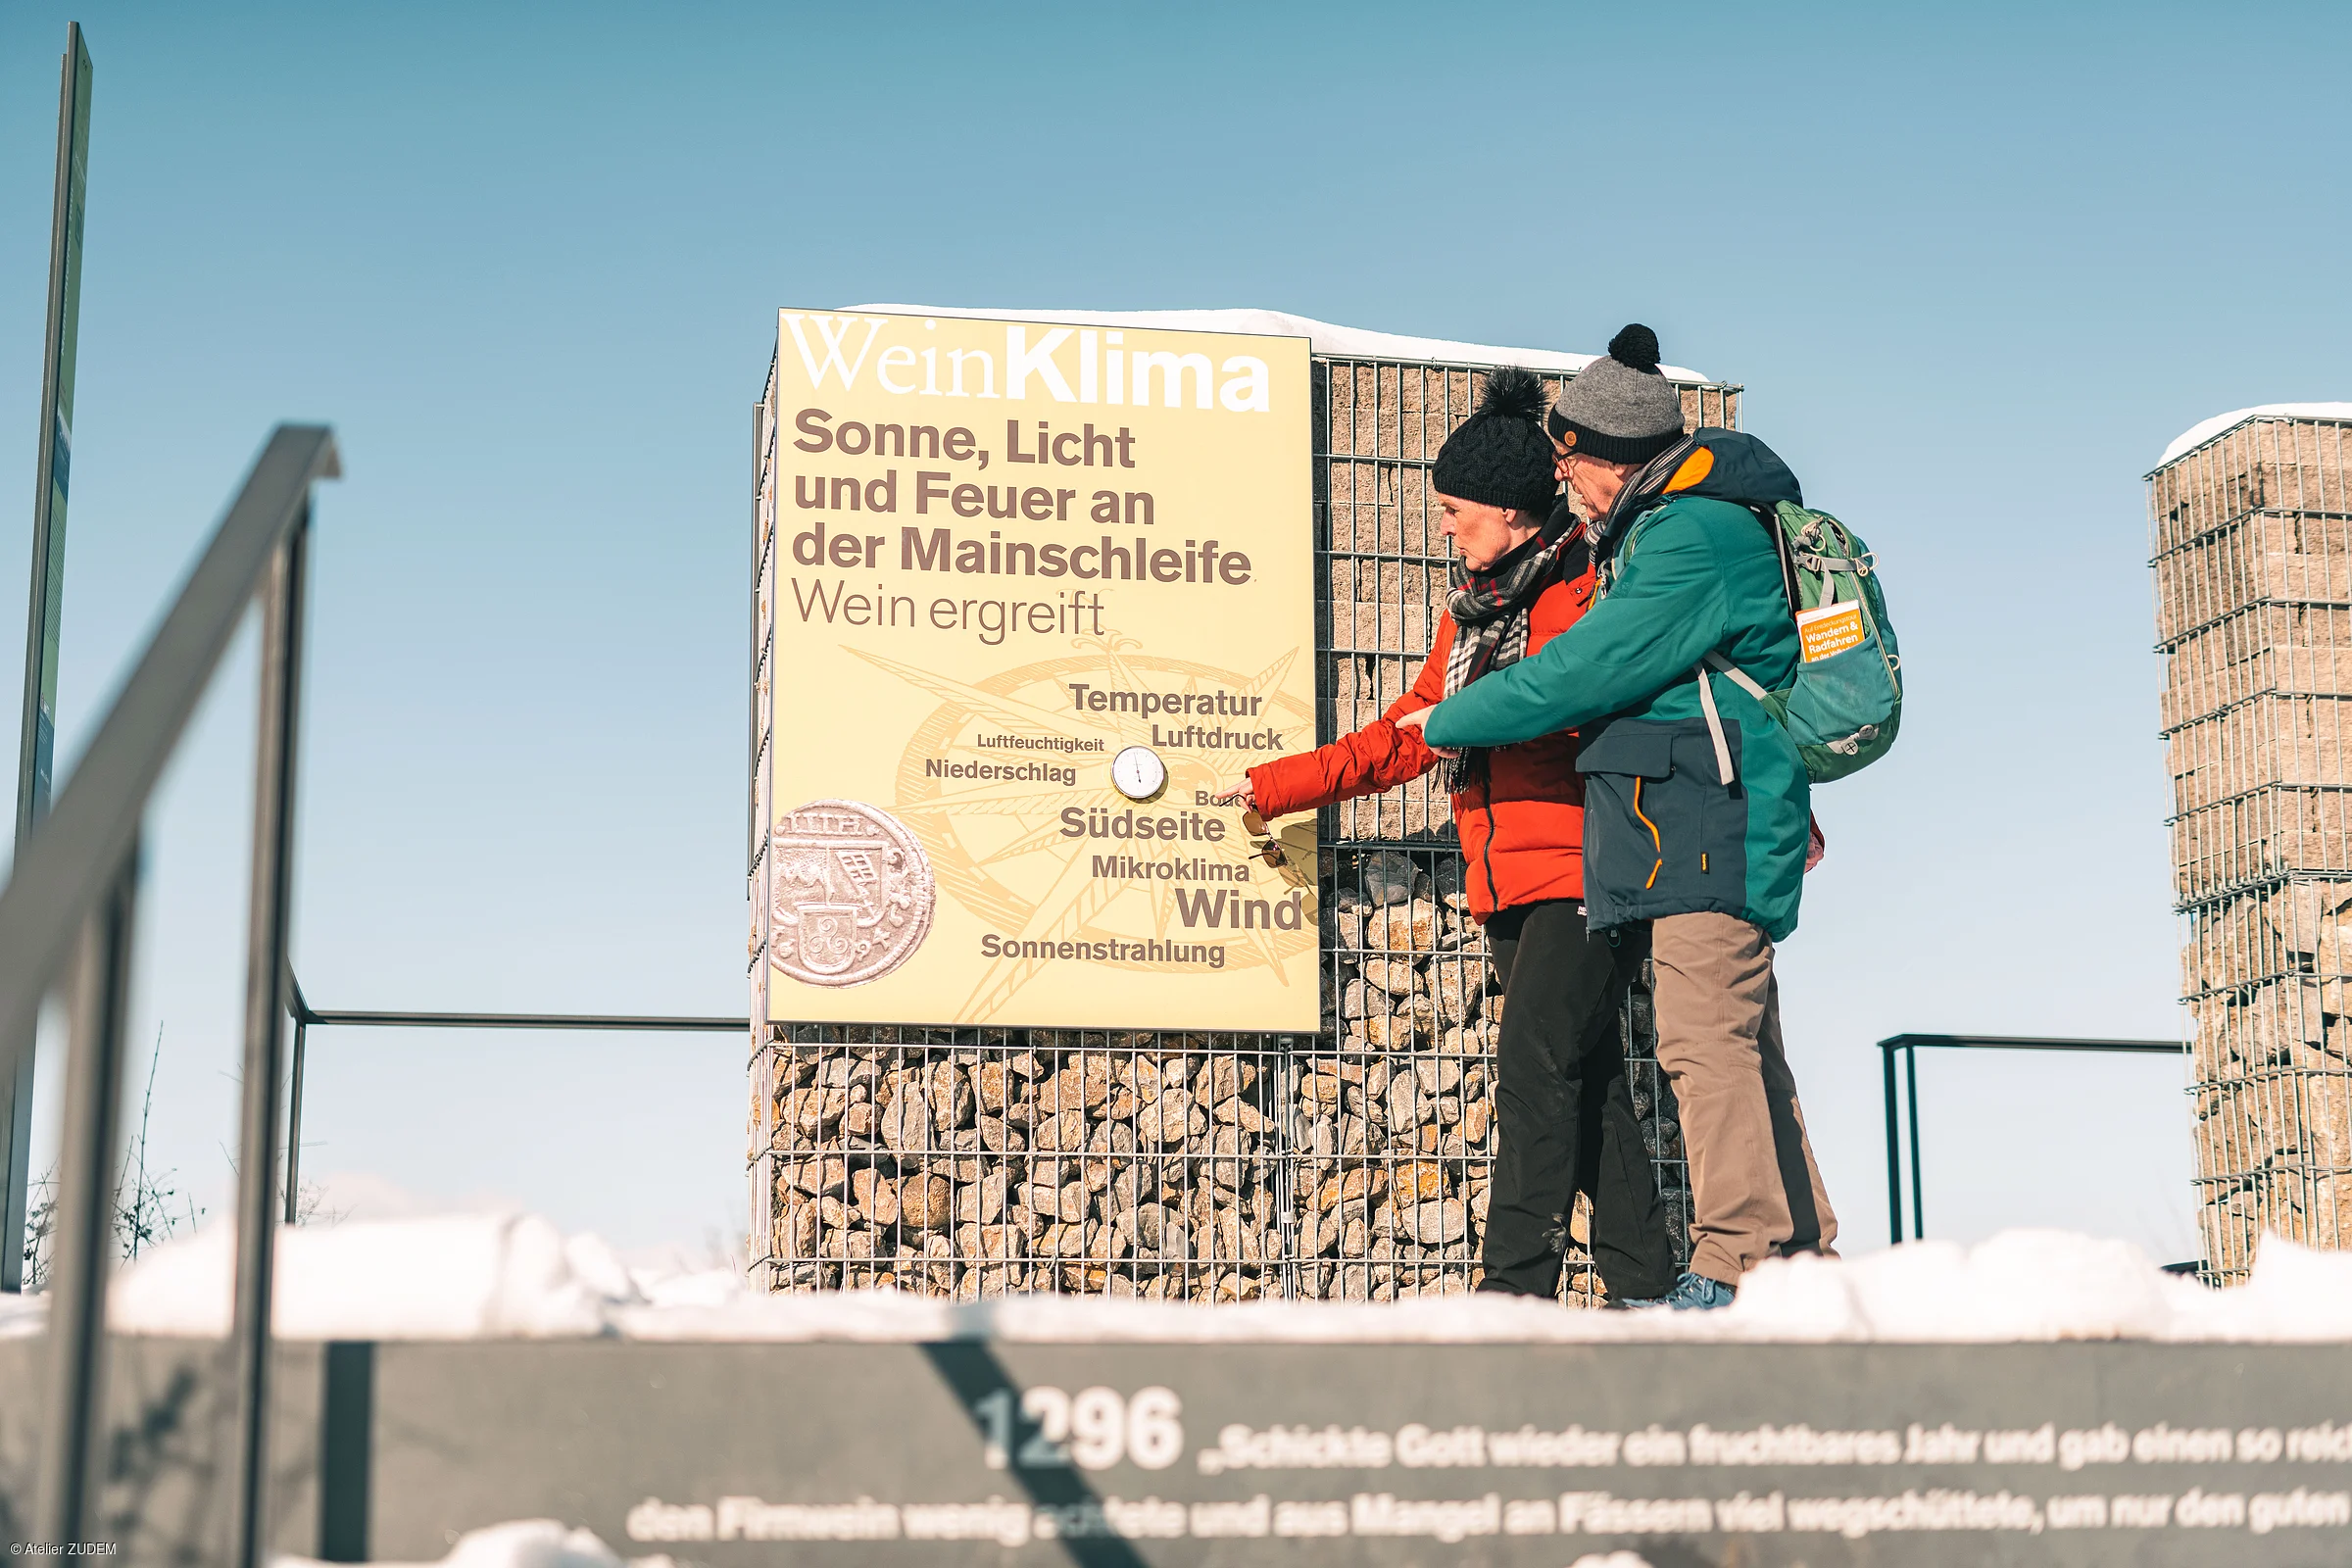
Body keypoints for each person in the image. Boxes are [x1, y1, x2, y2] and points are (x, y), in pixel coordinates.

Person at [1214, 367, 1676, 1305]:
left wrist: (1469, 717)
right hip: (1508, 882)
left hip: (1587, 870)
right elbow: (1410, 732)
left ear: (1510, 512)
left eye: (1455, 508)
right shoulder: (1473, 615)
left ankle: (1511, 1296)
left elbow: (1562, 709)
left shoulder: (1583, 593)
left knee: (1535, 1069)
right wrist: (1274, 785)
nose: (1443, 526)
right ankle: (1648, 1290)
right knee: (1588, 1088)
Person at [1401, 324, 1839, 1311]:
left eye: (1568, 462)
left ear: (1604, 455)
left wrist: (1451, 717)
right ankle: (1800, 1253)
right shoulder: (1671, 528)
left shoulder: (1688, 536)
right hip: (1694, 805)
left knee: (1703, 1039)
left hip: (1704, 807)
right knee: (1737, 1037)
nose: (1569, 483)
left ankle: (1737, 1264)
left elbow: (1586, 669)